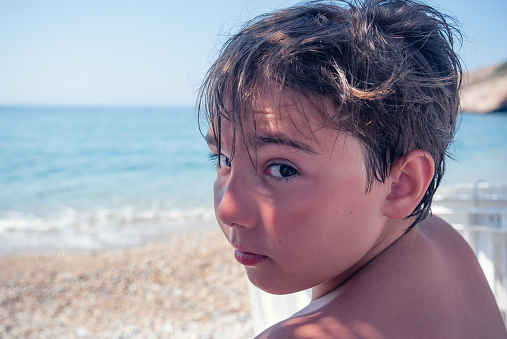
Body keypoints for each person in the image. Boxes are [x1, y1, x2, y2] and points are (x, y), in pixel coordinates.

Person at [198, 0, 507, 337]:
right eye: (224, 159)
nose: (228, 209)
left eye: (283, 169)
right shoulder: (444, 242)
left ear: (402, 183)